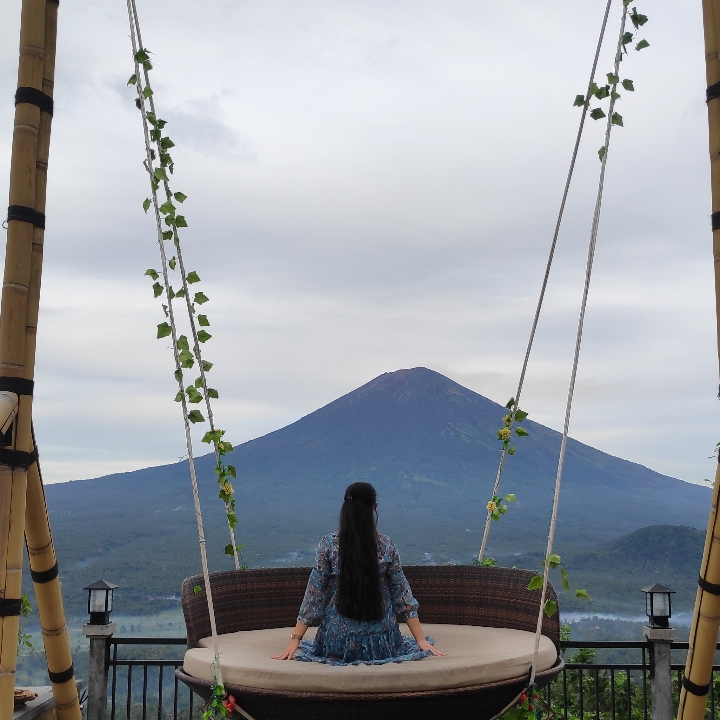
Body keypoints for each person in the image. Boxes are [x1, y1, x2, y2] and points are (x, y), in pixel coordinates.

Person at [272, 481, 447, 664]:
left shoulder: (328, 545)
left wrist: (295, 639)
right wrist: (420, 640)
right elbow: (403, 597)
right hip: (381, 643)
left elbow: (313, 595)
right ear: (374, 508)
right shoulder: (386, 546)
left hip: (336, 642)